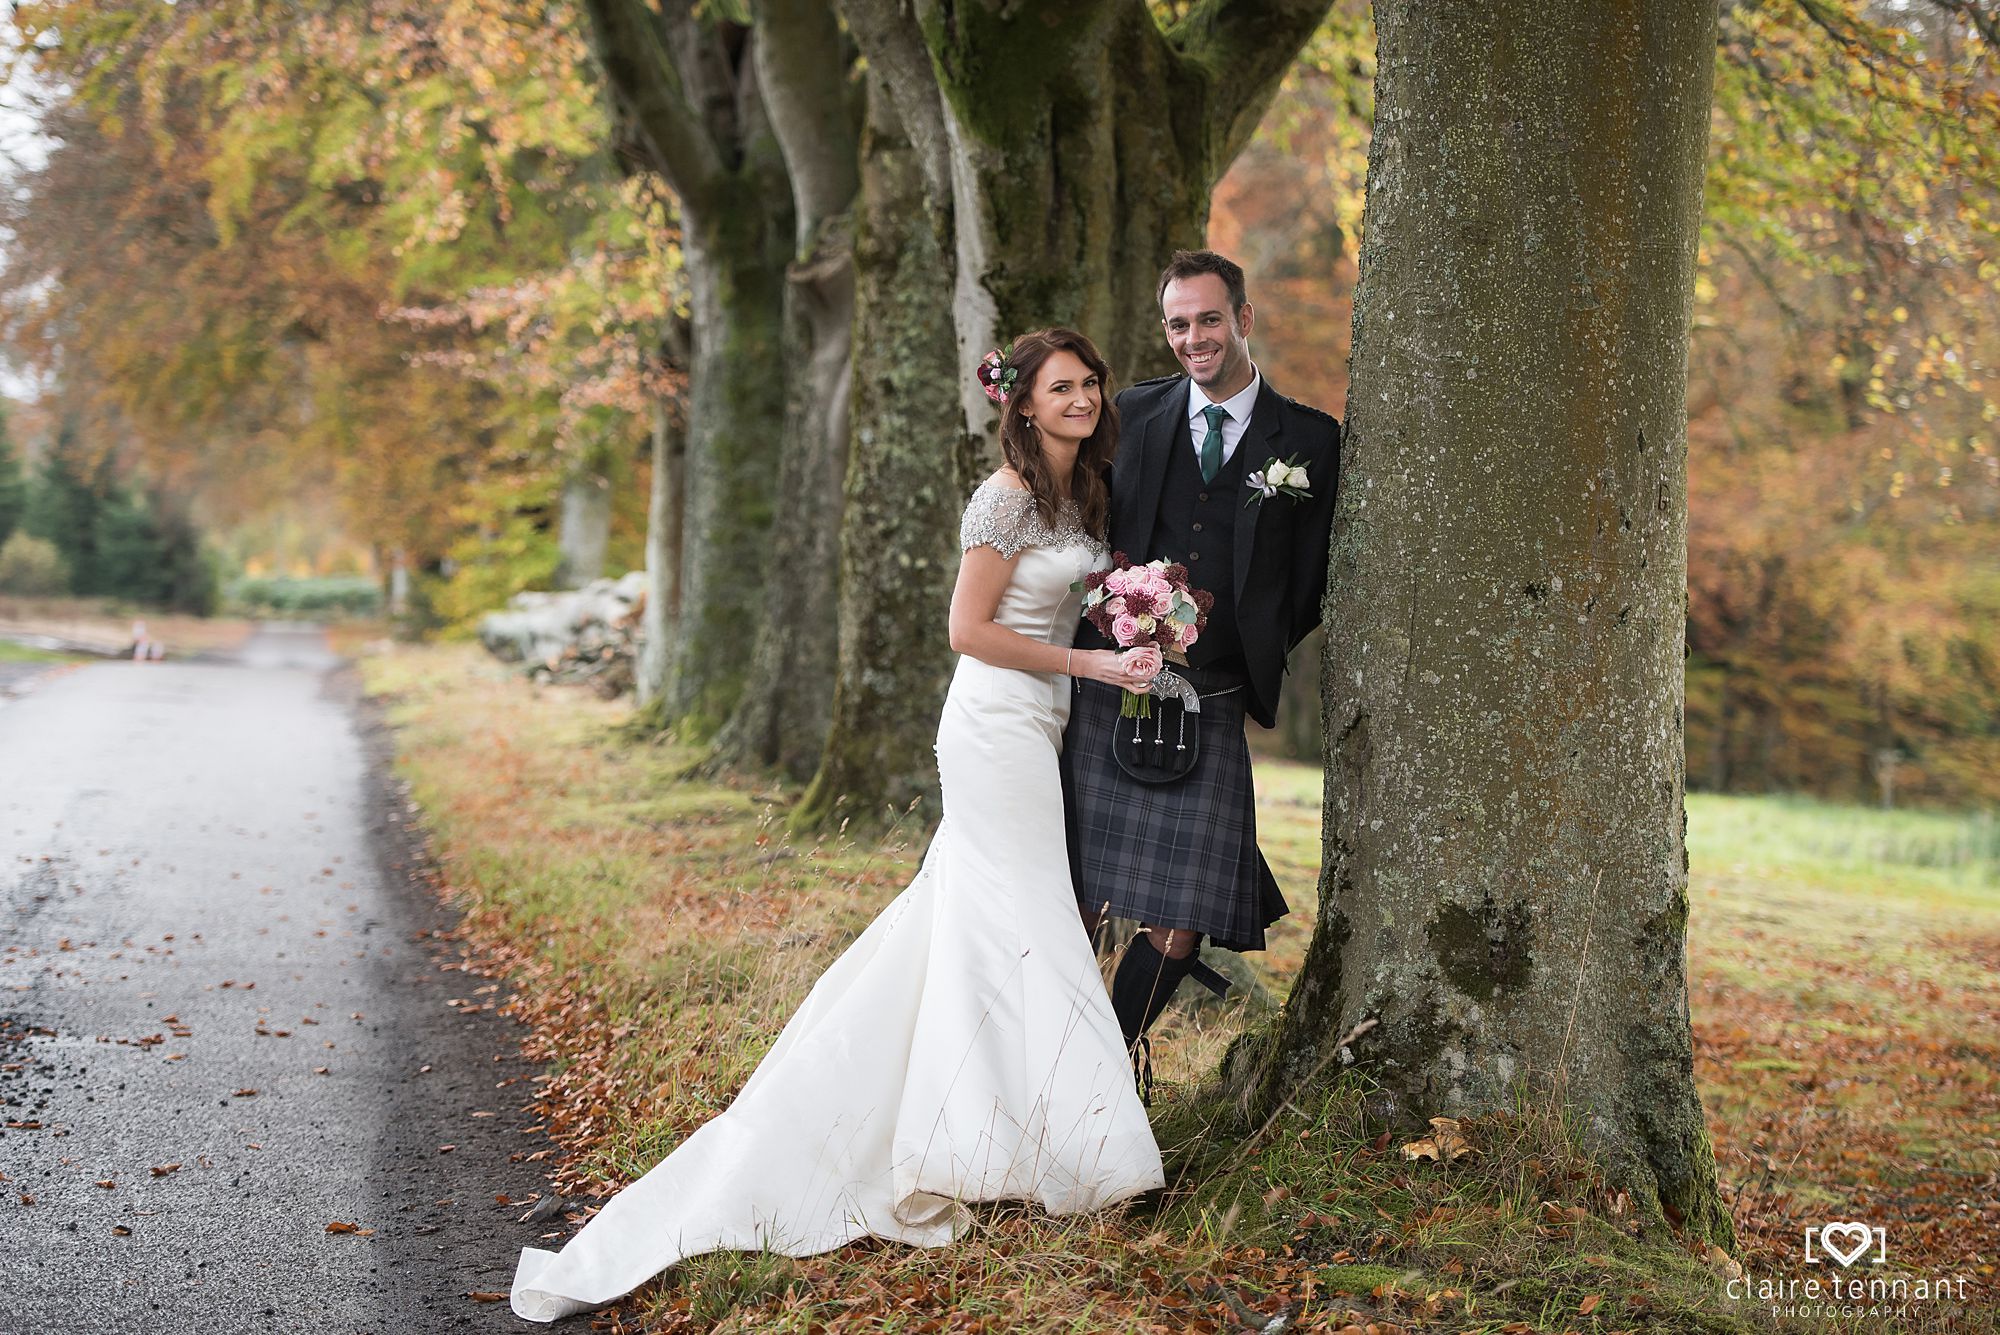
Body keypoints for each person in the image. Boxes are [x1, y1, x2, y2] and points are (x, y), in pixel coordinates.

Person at [510, 328, 1166, 1323]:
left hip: (1046, 725)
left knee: (983, 925)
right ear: (1022, 404)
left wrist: (1132, 628)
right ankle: (1077, 1152)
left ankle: (991, 1132)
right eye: (1059, 387)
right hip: (993, 727)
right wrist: (1092, 665)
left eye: (1088, 383)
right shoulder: (1005, 498)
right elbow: (967, 631)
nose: (1080, 397)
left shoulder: (1087, 493)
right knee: (1027, 911)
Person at [1063, 250, 1342, 1099]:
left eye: (1209, 320)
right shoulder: (1134, 412)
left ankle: (1105, 1070)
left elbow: (1310, 583)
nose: (1194, 339)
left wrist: (1243, 644)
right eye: (1178, 324)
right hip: (1110, 689)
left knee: (1182, 920)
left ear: (1244, 319)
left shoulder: (1310, 441)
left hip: (1213, 698)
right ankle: (1054, 1073)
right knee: (1079, 901)